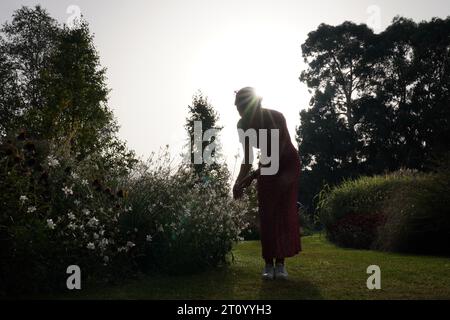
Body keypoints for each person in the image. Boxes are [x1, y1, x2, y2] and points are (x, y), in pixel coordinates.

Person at [233, 87, 301, 280]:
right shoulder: (242, 126)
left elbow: (277, 155)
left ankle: (280, 265)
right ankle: (267, 263)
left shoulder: (276, 117)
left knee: (281, 211)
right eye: (237, 107)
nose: (239, 111)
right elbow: (248, 157)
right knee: (267, 213)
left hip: (287, 164)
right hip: (266, 165)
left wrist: (252, 176)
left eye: (242, 106)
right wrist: (238, 182)